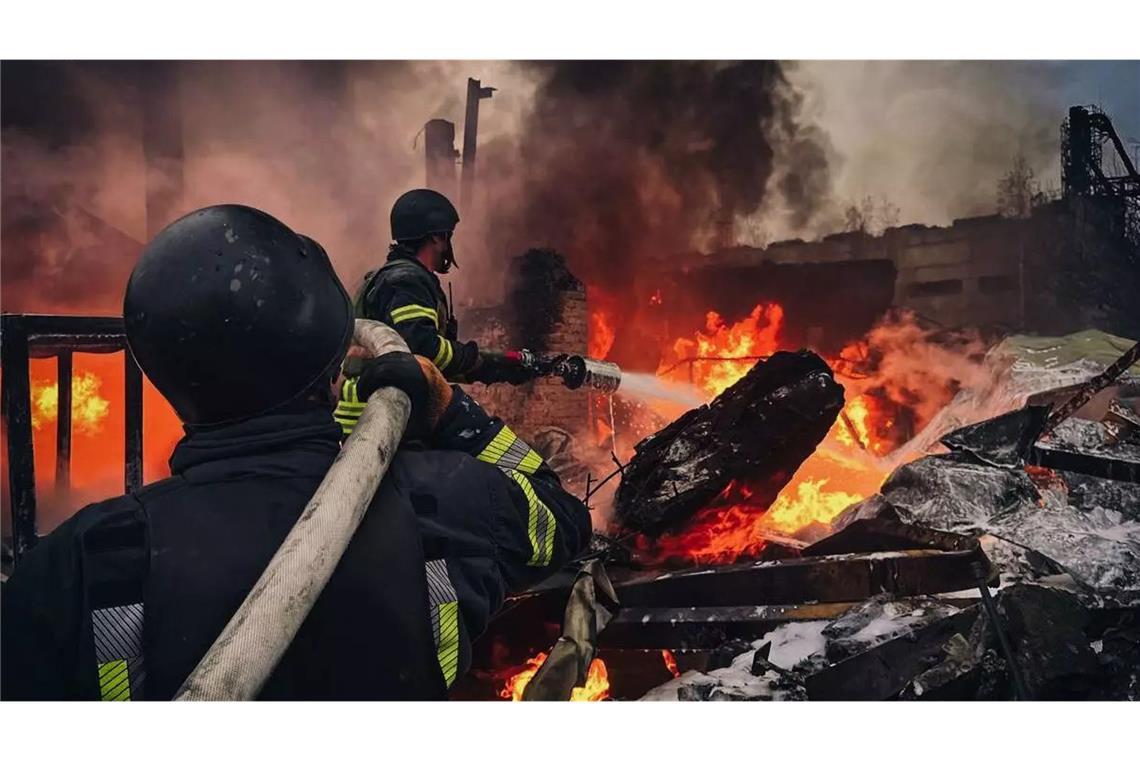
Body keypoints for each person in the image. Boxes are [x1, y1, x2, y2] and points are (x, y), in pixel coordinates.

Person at [0, 204, 592, 701]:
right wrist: (451, 410)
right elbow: (565, 522)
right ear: (337, 368)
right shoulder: (449, 501)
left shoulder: (77, 567)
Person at [351, 188, 531, 388]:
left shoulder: (396, 278)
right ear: (436, 237)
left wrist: (496, 368)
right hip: (382, 409)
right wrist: (472, 358)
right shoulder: (407, 282)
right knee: (481, 420)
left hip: (390, 402)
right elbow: (422, 348)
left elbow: (431, 364)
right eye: (447, 236)